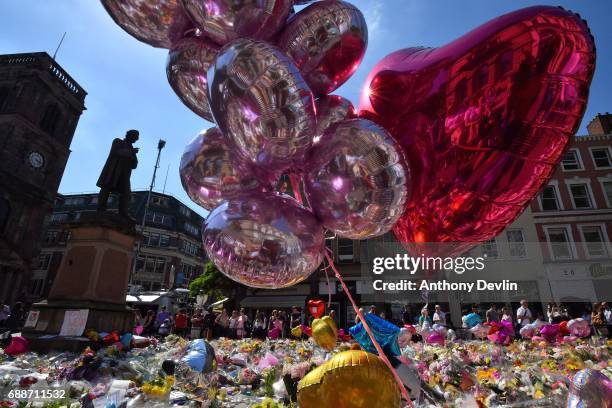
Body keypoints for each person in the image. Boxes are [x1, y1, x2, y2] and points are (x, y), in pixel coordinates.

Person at [96, 129, 140, 218]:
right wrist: (131, 152)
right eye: (133, 137)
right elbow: (116, 152)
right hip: (114, 170)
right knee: (106, 189)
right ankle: (101, 209)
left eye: (136, 138)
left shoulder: (132, 149)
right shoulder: (118, 141)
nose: (134, 140)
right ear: (128, 135)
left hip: (125, 174)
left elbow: (134, 165)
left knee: (126, 193)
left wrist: (133, 155)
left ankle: (123, 213)